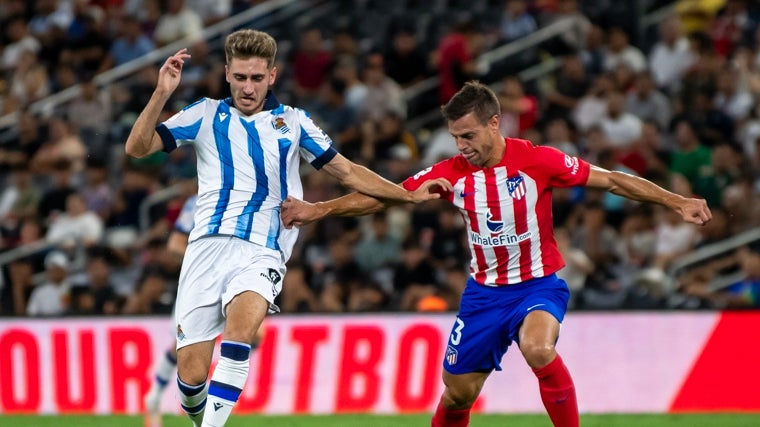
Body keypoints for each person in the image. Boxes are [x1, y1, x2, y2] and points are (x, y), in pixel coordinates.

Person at [280, 81, 712, 427]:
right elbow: (385, 197)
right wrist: (319, 209)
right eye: (455, 137)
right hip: (484, 296)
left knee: (538, 348)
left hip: (539, 285)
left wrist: (677, 202)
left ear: (494, 123)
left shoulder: (538, 161)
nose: (461, 146)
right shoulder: (449, 172)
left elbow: (614, 181)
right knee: (457, 393)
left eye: (468, 135)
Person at [125, 29, 448, 427]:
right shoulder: (204, 114)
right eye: (240, 77)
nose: (247, 87)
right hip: (205, 250)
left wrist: (408, 194)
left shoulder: (292, 123)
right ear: (227, 73)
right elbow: (137, 150)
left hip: (261, 250)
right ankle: (197, 419)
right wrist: (161, 93)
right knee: (190, 378)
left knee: (240, 335)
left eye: (257, 78)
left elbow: (347, 172)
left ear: (272, 76)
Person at [142, 194, 265, 427]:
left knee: (254, 334)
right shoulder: (200, 201)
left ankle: (221, 386)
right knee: (182, 351)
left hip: (236, 279)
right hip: (201, 281)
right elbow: (175, 242)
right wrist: (206, 256)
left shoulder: (254, 196)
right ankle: (155, 396)